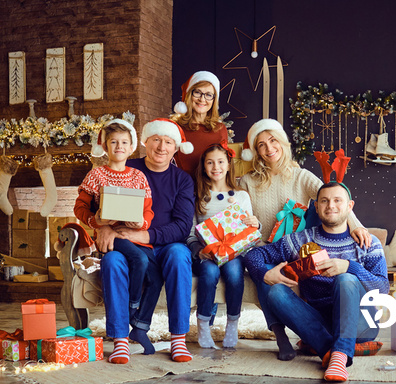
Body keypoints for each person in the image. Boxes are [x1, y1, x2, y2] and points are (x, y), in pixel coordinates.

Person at [242, 182, 389, 381]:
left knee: (346, 279)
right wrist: (263, 274)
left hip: (361, 324)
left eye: (338, 200)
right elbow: (255, 255)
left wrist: (349, 267)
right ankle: (334, 353)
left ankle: (338, 352)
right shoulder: (300, 240)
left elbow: (382, 289)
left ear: (349, 206)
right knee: (275, 292)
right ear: (317, 207)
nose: (331, 206)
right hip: (320, 322)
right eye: (325, 201)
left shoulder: (367, 243)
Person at [97, 118, 195, 364]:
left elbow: (183, 227)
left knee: (180, 256)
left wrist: (146, 235)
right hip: (127, 242)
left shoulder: (182, 180)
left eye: (168, 142)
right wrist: (104, 227)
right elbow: (95, 203)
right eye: (156, 140)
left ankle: (178, 340)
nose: (162, 147)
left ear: (175, 148)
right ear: (145, 143)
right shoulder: (125, 167)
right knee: (112, 261)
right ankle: (121, 340)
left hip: (164, 245)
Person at [238, 118, 371, 245]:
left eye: (273, 140)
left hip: (296, 249)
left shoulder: (302, 176)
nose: (269, 148)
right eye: (261, 145)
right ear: (257, 152)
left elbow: (335, 197)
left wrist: (356, 226)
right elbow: (240, 222)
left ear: (282, 142)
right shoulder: (247, 181)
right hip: (261, 250)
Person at [73, 119, 154, 321]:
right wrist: (97, 220)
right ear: (105, 146)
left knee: (150, 268)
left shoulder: (138, 176)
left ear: (131, 147)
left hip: (133, 235)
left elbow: (148, 210)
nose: (119, 147)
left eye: (124, 142)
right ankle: (132, 307)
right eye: (114, 142)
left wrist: (141, 224)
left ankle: (136, 314)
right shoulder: (96, 175)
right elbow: (79, 208)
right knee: (140, 259)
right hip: (111, 239)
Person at [186, 142, 260, 349]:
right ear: (204, 167)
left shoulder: (241, 196)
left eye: (220, 162)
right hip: (208, 254)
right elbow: (191, 232)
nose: (215, 167)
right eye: (210, 163)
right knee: (208, 274)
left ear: (228, 165)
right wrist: (199, 251)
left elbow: (249, 228)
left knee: (235, 274)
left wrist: (256, 223)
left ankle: (232, 324)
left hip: (233, 254)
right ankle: (202, 324)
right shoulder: (199, 197)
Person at [171, 71, 229, 176]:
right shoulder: (175, 127)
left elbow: (223, 166)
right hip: (183, 188)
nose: (202, 99)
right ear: (189, 94)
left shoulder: (220, 129)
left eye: (208, 95)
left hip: (211, 189)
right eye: (197, 92)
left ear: (214, 100)